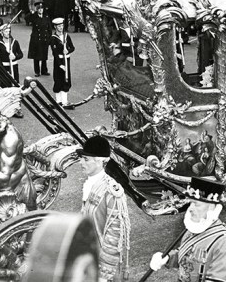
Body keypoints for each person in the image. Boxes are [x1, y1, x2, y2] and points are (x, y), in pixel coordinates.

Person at [150, 177, 226, 282]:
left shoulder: (224, 242)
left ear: (211, 207)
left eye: (196, 204)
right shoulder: (193, 228)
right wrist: (167, 258)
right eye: (191, 203)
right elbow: (188, 256)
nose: (190, 209)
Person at [77, 135, 131, 282]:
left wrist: (104, 275)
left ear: (101, 161)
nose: (81, 162)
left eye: (86, 159)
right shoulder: (89, 184)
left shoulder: (112, 191)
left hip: (103, 268)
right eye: (82, 158)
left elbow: (115, 235)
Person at [50, 17, 74, 107]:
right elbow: (55, 53)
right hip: (58, 61)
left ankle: (64, 101)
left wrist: (68, 50)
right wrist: (60, 65)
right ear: (55, 27)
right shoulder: (53, 38)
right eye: (59, 26)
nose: (61, 27)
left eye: (62, 25)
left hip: (66, 60)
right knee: (58, 79)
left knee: (66, 79)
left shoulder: (66, 36)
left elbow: (72, 48)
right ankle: (58, 101)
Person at [28, 2, 51, 77]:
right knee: (36, 56)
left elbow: (49, 28)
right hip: (36, 39)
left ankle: (44, 70)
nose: (41, 10)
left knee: (44, 55)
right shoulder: (34, 17)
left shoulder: (46, 17)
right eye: (39, 9)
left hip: (44, 38)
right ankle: (37, 71)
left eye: (42, 9)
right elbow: (27, 18)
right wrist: (32, 12)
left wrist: (49, 37)